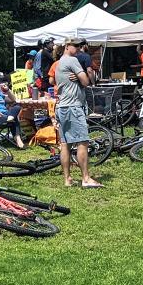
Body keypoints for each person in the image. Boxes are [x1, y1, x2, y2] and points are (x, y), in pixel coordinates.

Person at [55, 38, 101, 188]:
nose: (78, 49)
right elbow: (86, 82)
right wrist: (81, 76)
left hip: (62, 106)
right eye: (75, 46)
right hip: (73, 107)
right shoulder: (72, 61)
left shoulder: (60, 62)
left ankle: (67, 179)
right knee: (82, 141)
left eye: (80, 46)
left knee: (66, 144)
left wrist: (78, 76)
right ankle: (86, 178)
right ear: (67, 46)